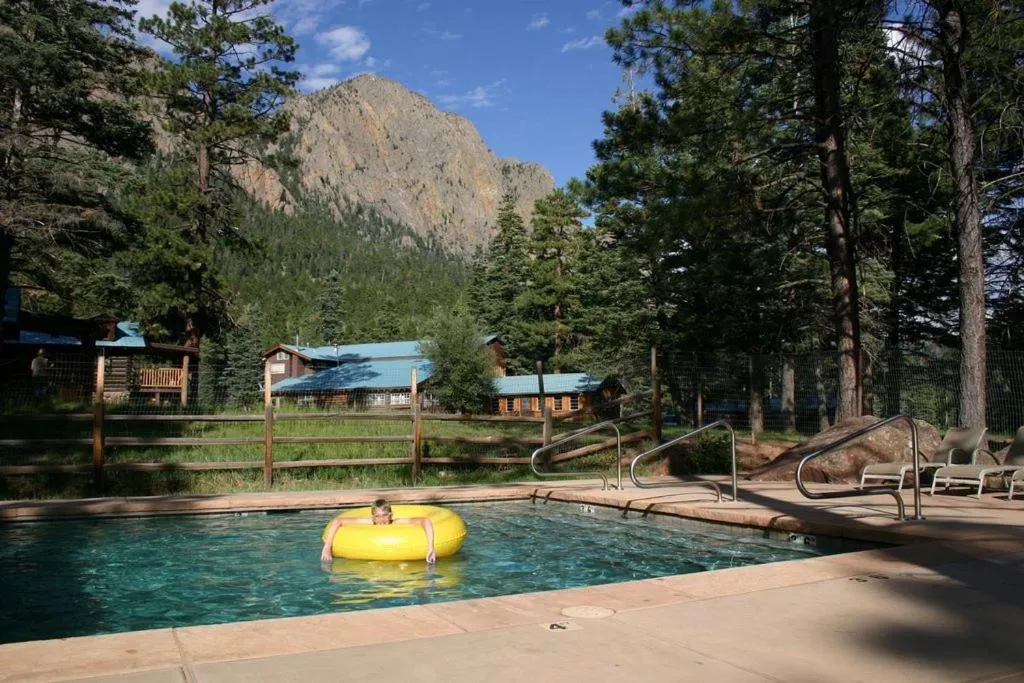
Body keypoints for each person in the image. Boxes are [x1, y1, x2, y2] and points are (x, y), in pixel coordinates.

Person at [321, 498, 436, 564]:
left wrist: (431, 547)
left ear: (390, 515)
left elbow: (425, 521)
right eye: (378, 516)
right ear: (373, 517)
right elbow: (338, 521)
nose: (381, 519)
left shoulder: (396, 522)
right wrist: (327, 547)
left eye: (385, 515)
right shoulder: (370, 522)